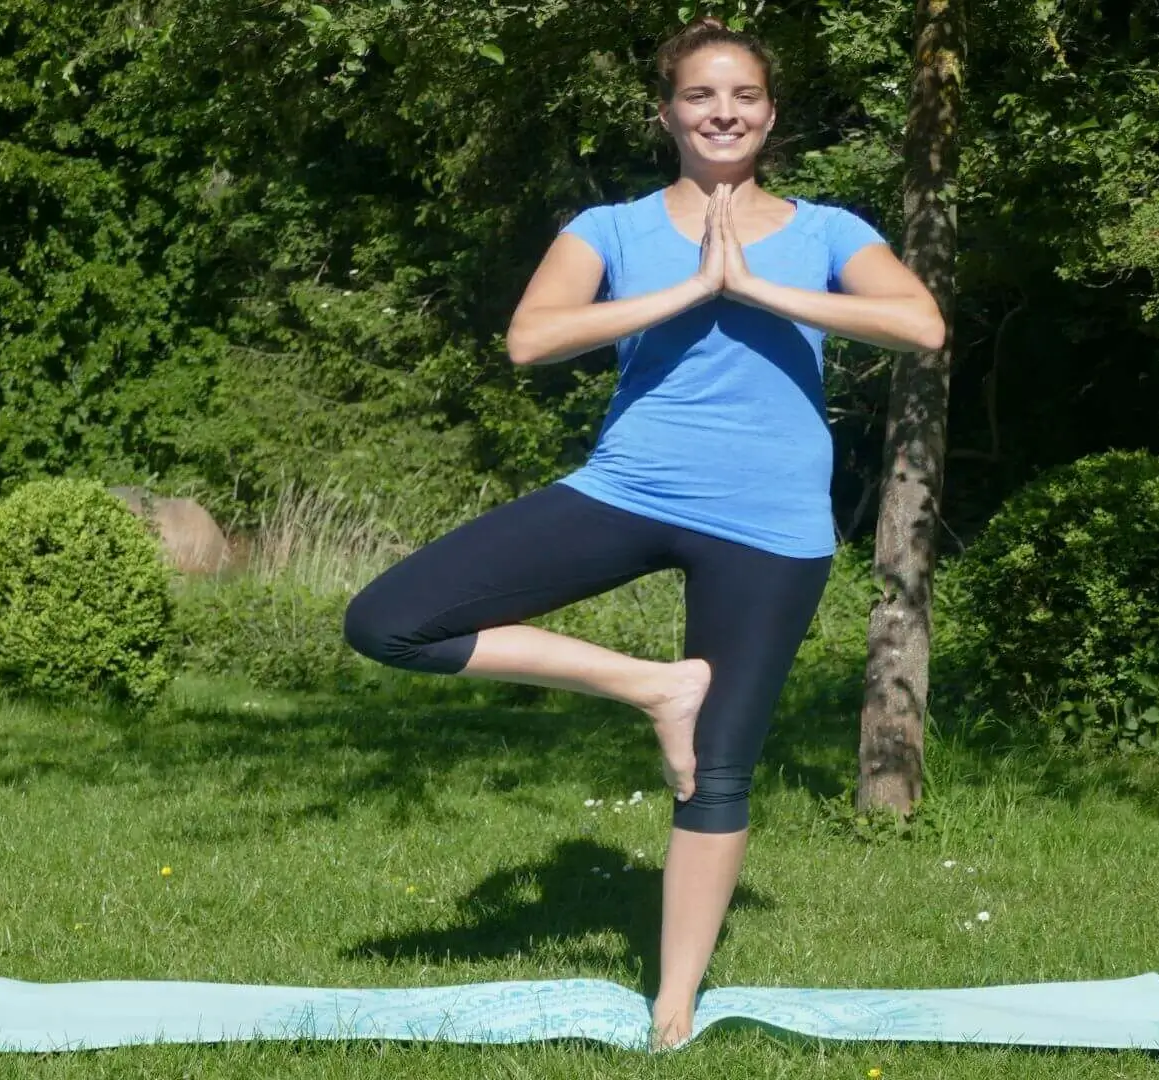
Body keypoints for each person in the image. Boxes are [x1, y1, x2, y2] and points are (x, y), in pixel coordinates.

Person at [342, 15, 944, 1049]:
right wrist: (686, 292)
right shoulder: (609, 229)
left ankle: (674, 1010)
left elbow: (920, 323)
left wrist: (756, 287)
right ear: (667, 112)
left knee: (719, 771)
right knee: (388, 619)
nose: (723, 113)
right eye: (701, 96)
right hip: (630, 487)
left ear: (770, 112)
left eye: (743, 96)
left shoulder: (830, 229)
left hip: (771, 523)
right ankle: (653, 684)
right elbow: (532, 337)